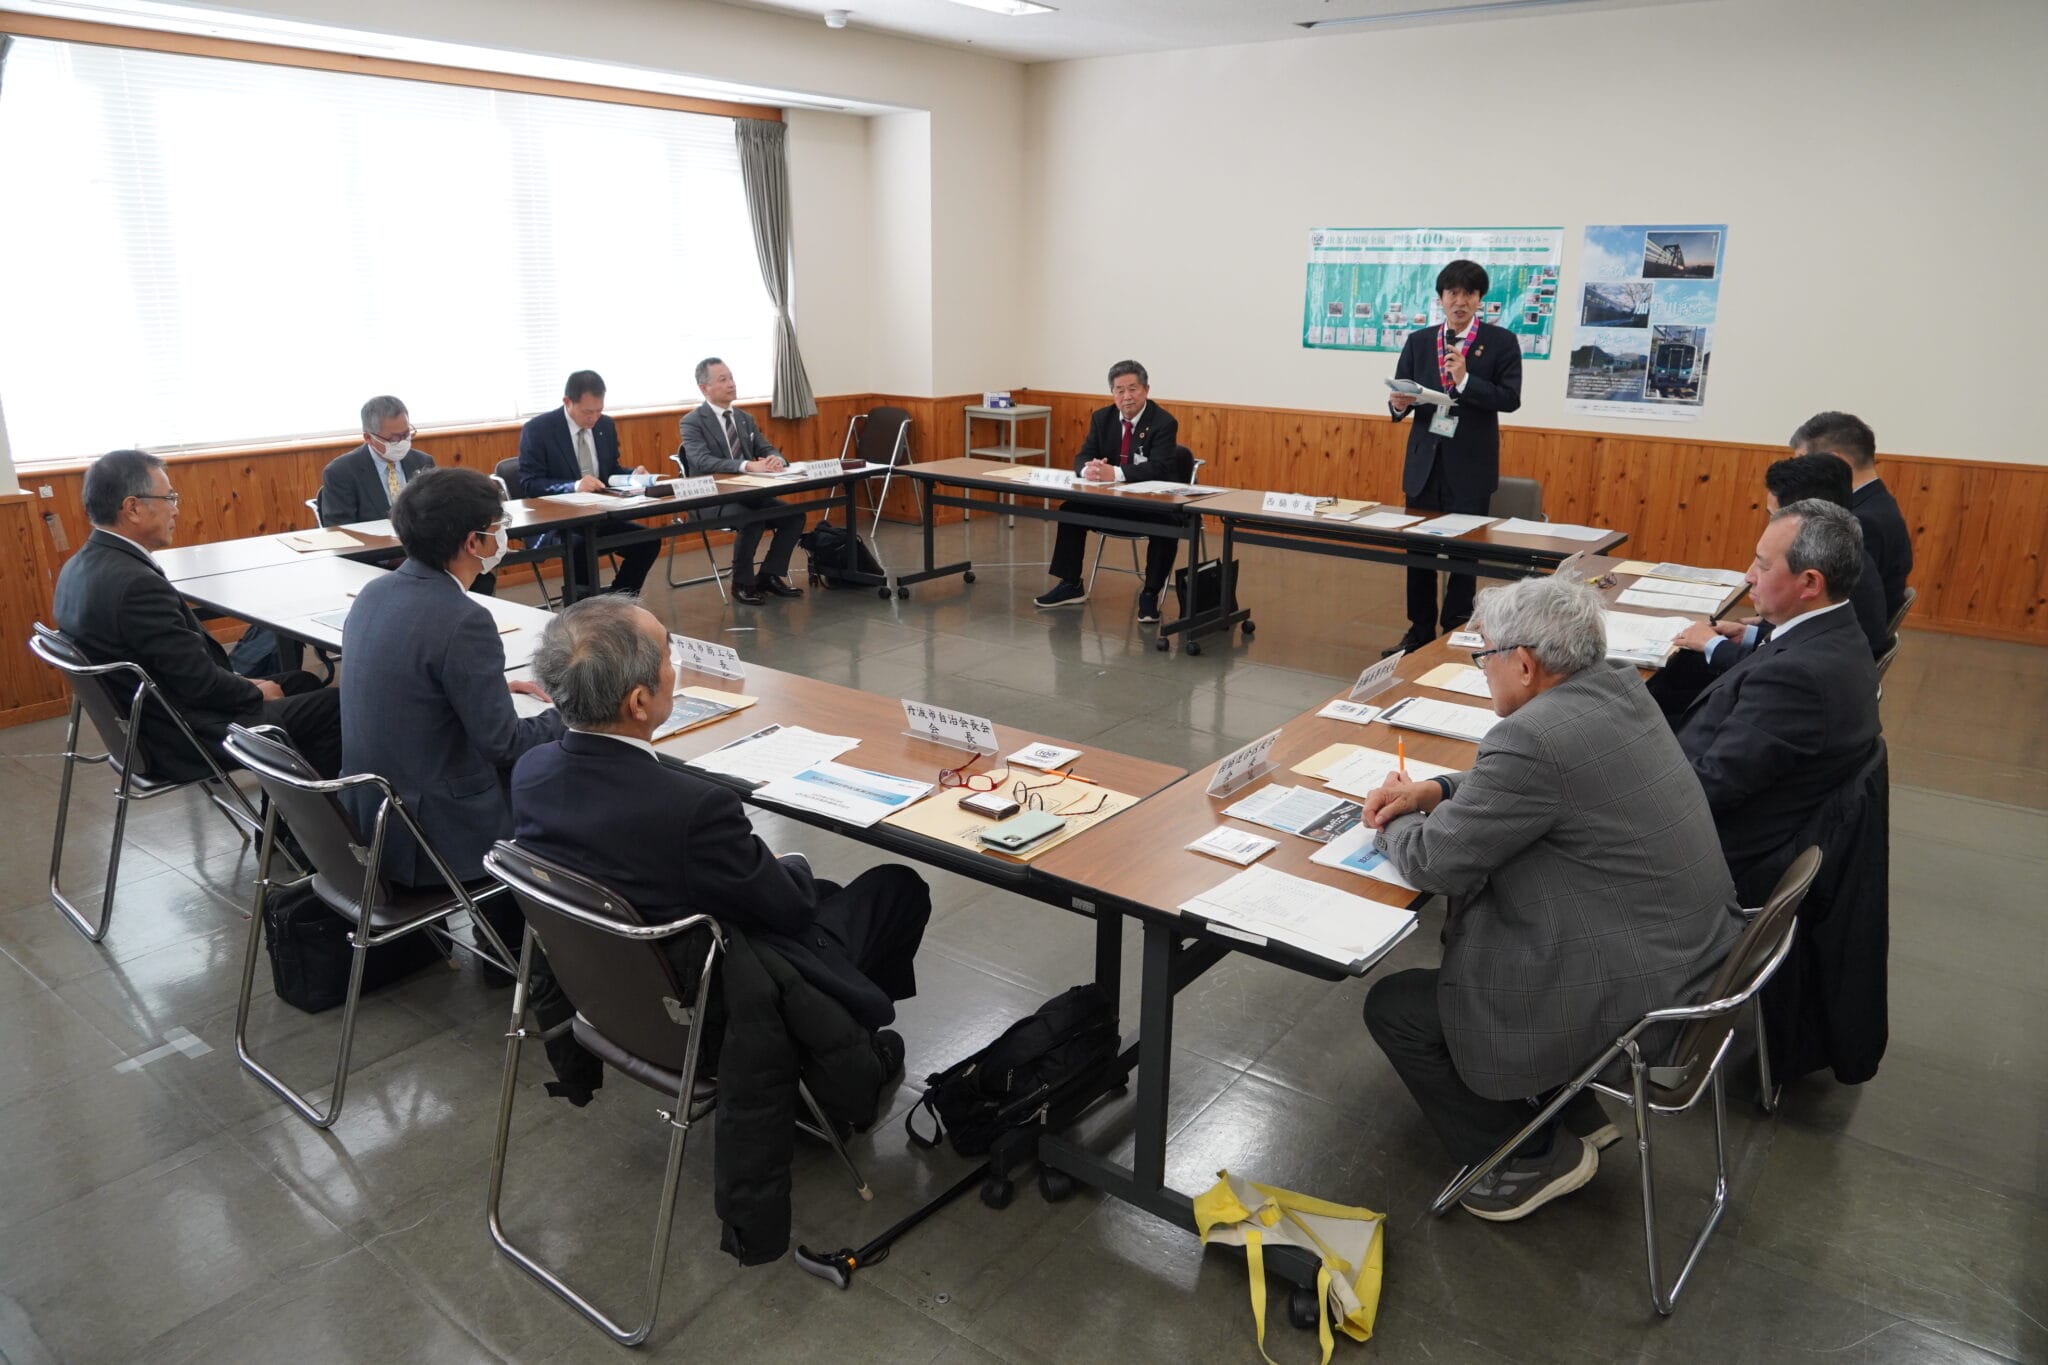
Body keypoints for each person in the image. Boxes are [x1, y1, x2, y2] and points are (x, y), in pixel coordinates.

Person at [1358, 575, 1743, 1221]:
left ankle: (1529, 1155)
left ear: (1526, 664)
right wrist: (1438, 790)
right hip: (1697, 959)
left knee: (1396, 1006)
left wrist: (1392, 820)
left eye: (1485, 657)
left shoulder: (1532, 737)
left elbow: (1436, 861)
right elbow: (1533, 788)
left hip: (1639, 997)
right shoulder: (1619, 685)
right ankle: (1569, 1109)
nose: (1484, 672)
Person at [509, 594, 929, 1045]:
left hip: (615, 989)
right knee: (896, 887)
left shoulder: (531, 771)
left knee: (830, 893)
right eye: (669, 658)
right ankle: (842, 1041)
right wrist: (785, 861)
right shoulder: (693, 809)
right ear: (638, 702)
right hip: (718, 990)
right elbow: (791, 910)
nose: (674, 669)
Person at [51, 449, 342, 779]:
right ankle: (315, 828)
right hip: (181, 737)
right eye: (169, 497)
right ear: (132, 508)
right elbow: (199, 684)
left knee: (302, 681)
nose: (175, 509)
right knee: (336, 707)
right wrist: (254, 691)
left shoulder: (77, 567)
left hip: (147, 723)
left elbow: (183, 672)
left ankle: (282, 821)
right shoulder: (135, 585)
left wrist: (248, 685)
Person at [338, 467, 562, 892]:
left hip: (372, 817)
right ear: (473, 542)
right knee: (563, 780)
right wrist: (574, 713)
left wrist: (487, 688)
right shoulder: (464, 619)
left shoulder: (374, 592)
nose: (503, 537)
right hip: (439, 834)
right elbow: (505, 743)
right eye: (499, 527)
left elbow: (413, 682)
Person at [1673, 500, 1881, 889]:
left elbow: (1707, 788)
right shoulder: (1838, 634)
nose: (1749, 576)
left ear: (1810, 584)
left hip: (1707, 857)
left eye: (1763, 566)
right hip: (1752, 816)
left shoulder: (1796, 678)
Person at [1654, 454, 1890, 715]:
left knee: (1664, 685)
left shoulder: (1831, 579)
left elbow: (1776, 668)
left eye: (1775, 516)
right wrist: (1751, 635)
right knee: (1681, 666)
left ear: (1803, 518)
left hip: (1762, 700)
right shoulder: (1847, 556)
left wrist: (1713, 645)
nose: (1749, 577)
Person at [1385, 260, 1523, 655]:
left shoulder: (1501, 343)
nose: (1459, 301)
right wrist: (1398, 403)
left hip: (1470, 466)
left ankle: (1456, 628)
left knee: (1465, 553)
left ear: (1480, 299)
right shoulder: (1419, 340)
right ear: (1441, 298)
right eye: (1452, 293)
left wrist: (1465, 380)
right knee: (1419, 553)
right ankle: (1419, 629)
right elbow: (1403, 394)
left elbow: (1510, 399)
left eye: (1468, 294)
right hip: (1425, 464)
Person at [1031, 360, 1186, 623]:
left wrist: (1114, 473)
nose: (1127, 397)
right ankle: (1071, 584)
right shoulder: (1102, 418)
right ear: (1112, 393)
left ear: (1146, 389)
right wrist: (1088, 469)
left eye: (1133, 389)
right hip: (1112, 500)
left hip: (1150, 503)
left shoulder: (1163, 422)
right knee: (1070, 510)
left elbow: (1160, 468)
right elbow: (1083, 456)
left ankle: (1150, 593)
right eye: (1119, 390)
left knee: (1167, 524)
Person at [319, 395, 495, 596]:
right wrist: (389, 557)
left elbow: (442, 513)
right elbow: (341, 534)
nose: (402, 442)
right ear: (368, 437)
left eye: (406, 434)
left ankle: (474, 622)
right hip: (379, 559)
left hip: (426, 553)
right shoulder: (341, 471)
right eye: (393, 438)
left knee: (480, 571)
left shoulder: (422, 461)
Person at [516, 369, 660, 600]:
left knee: (648, 541)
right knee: (580, 546)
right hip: (558, 522)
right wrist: (573, 486)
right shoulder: (539, 430)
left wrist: (632, 474)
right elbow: (530, 484)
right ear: (567, 402)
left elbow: (609, 472)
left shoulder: (605, 425)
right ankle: (582, 610)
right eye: (587, 412)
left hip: (598, 515)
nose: (593, 418)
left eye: (599, 411)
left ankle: (618, 601)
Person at [677, 357, 807, 606]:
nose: (731, 384)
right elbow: (702, 461)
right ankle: (742, 581)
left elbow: (767, 447)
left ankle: (769, 575)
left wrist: (775, 460)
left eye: (731, 378)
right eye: (722, 380)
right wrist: (746, 465)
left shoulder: (745, 419)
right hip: (711, 499)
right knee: (753, 518)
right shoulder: (692, 422)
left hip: (750, 493)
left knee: (794, 516)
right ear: (704, 388)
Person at [1790, 410, 1912, 619]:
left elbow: (1832, 606)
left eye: (1803, 463)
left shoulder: (1861, 522)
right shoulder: (1876, 503)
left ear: (1837, 463)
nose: (1800, 473)